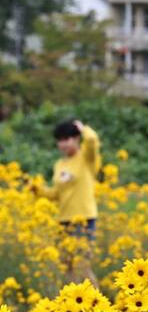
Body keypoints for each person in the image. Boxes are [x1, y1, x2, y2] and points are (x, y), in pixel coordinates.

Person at [36, 120, 101, 287]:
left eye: (67, 139)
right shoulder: (59, 164)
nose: (63, 144)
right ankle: (73, 304)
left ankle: (98, 305)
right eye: (60, 140)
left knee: (83, 265)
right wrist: (37, 189)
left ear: (76, 138)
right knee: (67, 266)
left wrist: (82, 127)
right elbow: (56, 194)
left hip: (84, 218)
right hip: (64, 219)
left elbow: (92, 140)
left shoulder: (87, 158)